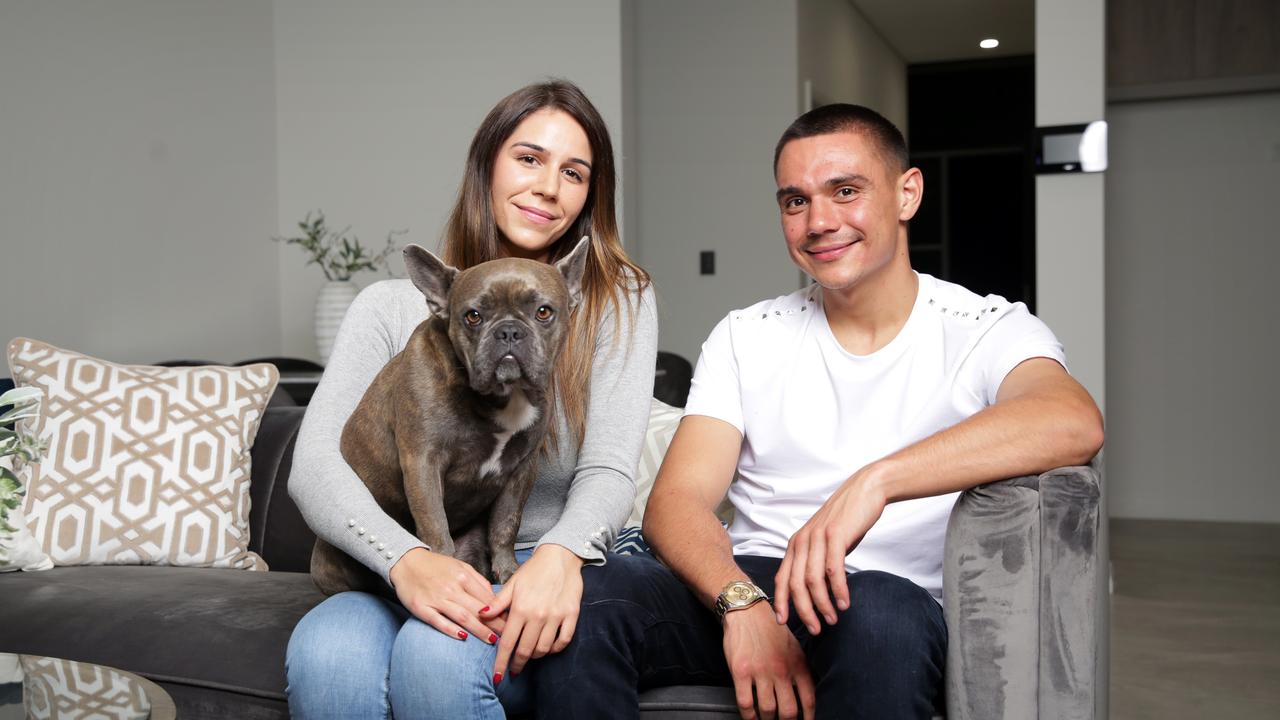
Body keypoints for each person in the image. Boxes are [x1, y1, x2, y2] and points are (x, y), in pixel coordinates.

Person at [533, 104, 1105, 720]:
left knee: (882, 619)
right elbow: (677, 503)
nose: (819, 221)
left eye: (846, 191)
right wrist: (740, 604)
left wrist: (874, 483)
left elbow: (1070, 420)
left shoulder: (983, 327)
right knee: (592, 598)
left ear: (907, 193)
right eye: (795, 201)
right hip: (753, 581)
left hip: (887, 603)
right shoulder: (748, 334)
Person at [284, 80, 658, 719]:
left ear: (592, 192)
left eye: (574, 172)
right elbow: (315, 464)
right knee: (328, 658)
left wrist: (562, 558)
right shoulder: (391, 306)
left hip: (529, 563)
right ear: (487, 164)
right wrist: (405, 560)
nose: (548, 186)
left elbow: (610, 467)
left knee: (436, 659)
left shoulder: (615, 302)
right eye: (528, 158)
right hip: (388, 558)